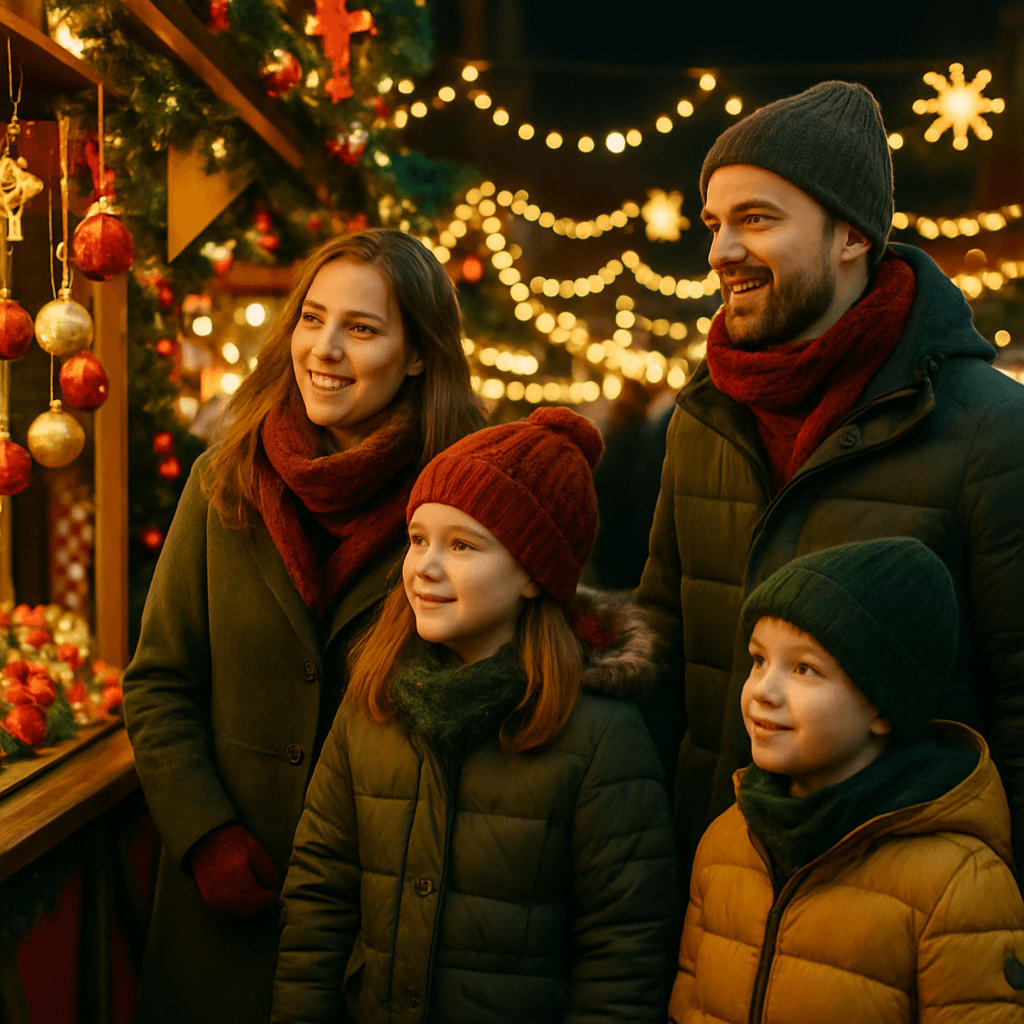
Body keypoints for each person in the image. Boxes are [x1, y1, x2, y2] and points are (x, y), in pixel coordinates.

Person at [637, 79, 1024, 870]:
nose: (719, 252)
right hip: (714, 888)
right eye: (715, 223)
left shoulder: (988, 426)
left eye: (757, 219)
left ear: (851, 236)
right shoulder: (704, 418)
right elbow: (665, 653)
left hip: (901, 907)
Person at [121, 229, 486, 1024]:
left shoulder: (465, 503)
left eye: (361, 328)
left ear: (419, 353)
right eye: (312, 319)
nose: (324, 349)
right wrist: (205, 833)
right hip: (224, 919)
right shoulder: (226, 482)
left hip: (384, 917)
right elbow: (158, 682)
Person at [271, 407, 678, 1024]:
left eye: (462, 545)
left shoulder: (600, 738)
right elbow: (318, 898)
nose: (425, 568)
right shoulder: (374, 702)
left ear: (534, 575)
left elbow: (622, 956)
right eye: (417, 540)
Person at [670, 538, 1024, 1024]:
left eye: (803, 668)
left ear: (882, 705)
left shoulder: (959, 885)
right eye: (758, 659)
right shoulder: (726, 842)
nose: (762, 692)